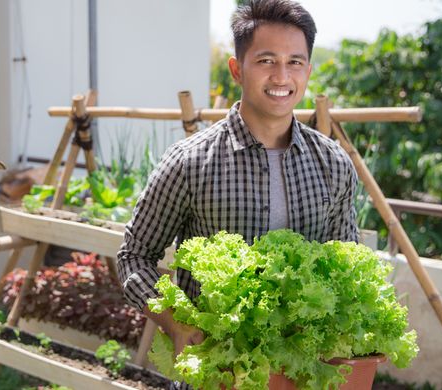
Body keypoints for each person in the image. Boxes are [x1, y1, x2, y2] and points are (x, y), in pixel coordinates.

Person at [117, 0, 358, 387]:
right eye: (266, 61)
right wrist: (177, 323)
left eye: (295, 62)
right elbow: (134, 257)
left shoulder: (333, 163)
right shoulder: (189, 162)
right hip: (218, 374)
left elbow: (346, 270)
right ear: (236, 69)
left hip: (299, 375)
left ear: (308, 71)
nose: (282, 76)